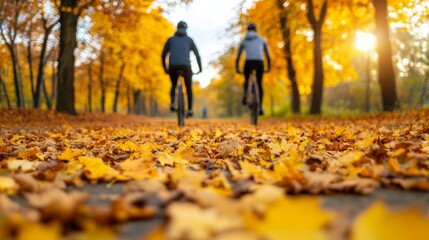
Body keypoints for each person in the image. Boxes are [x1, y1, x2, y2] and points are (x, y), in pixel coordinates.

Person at [162, 21, 202, 117]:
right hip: (186, 66)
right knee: (188, 88)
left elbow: (163, 55)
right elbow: (197, 55)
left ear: (177, 28)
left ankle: (172, 103)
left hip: (173, 66)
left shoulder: (170, 40)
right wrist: (200, 69)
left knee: (174, 84)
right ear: (186, 29)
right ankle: (190, 109)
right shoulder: (189, 40)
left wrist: (165, 69)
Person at [235, 22, 271, 115]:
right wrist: (268, 67)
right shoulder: (262, 39)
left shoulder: (244, 40)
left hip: (249, 62)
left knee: (247, 80)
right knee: (259, 84)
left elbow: (238, 56)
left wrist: (237, 68)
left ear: (247, 30)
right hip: (260, 62)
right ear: (256, 30)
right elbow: (268, 55)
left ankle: (245, 95)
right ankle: (260, 107)